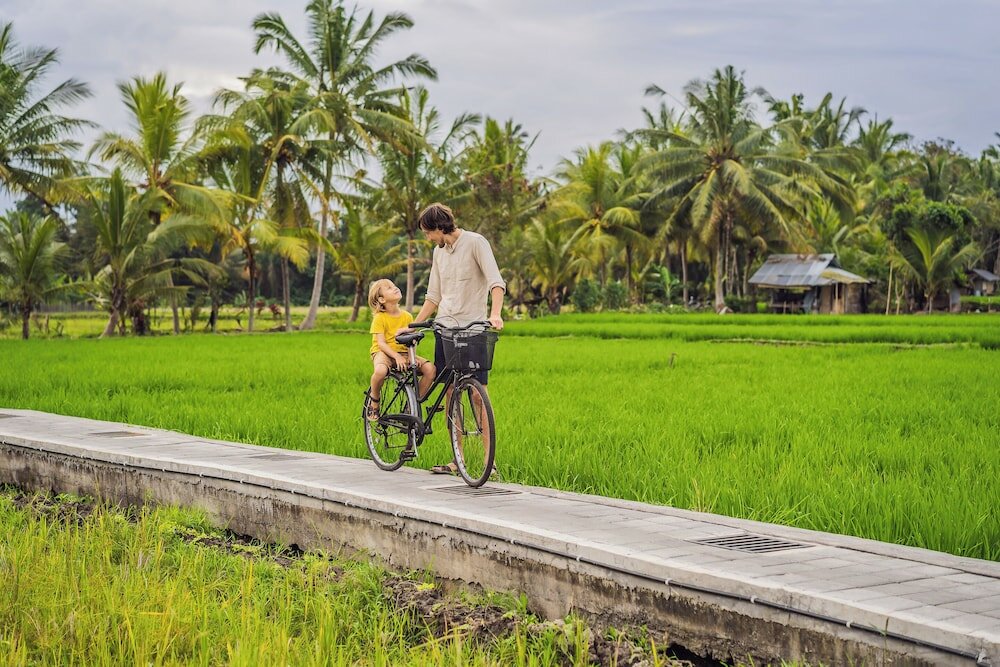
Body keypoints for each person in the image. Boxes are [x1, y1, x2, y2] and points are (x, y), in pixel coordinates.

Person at [411, 203, 505, 475]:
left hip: (473, 330)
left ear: (440, 227)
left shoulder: (476, 243)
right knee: (451, 393)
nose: (428, 238)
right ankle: (457, 459)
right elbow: (433, 296)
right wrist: (415, 323)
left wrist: (495, 314)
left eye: (428, 232)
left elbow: (495, 282)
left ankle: (491, 462)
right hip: (444, 330)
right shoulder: (438, 254)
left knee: (478, 395)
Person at [367, 278, 435, 422]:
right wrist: (396, 357)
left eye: (394, 285)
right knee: (380, 371)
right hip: (383, 353)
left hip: (404, 352)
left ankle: (411, 406)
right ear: (381, 299)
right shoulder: (380, 318)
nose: (395, 288)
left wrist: (412, 356)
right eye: (389, 288)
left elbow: (412, 339)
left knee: (430, 369)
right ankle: (374, 401)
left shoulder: (407, 316)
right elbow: (381, 344)